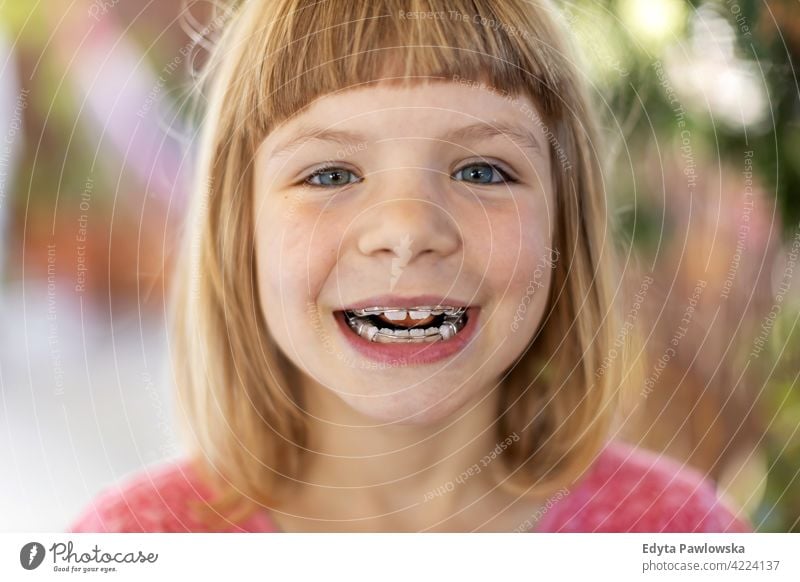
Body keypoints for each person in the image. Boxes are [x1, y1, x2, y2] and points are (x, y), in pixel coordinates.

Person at [69, 0, 749, 533]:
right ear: (238, 231)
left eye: (482, 170)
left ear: (563, 228)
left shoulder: (682, 535)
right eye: (331, 172)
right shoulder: (130, 545)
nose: (408, 230)